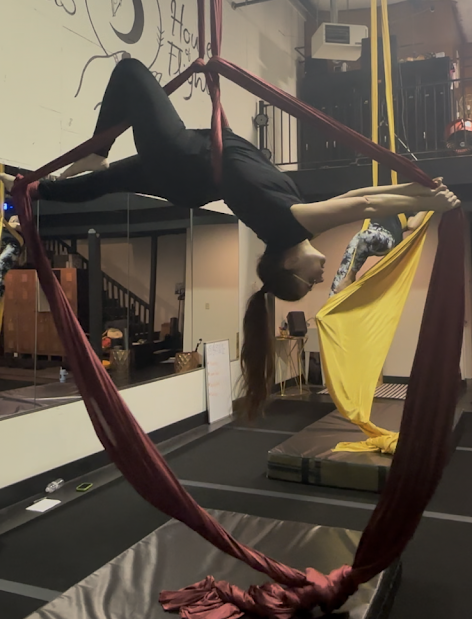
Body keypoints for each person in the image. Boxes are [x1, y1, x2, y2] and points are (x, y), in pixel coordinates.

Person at [0, 58, 460, 419]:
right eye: (318, 282)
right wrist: (419, 190)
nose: (320, 277)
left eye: (308, 281)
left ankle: (90, 157)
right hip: (194, 179)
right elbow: (359, 195)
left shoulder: (291, 225)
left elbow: (365, 204)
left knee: (130, 73)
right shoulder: (293, 224)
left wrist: (428, 200)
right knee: (107, 181)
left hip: (187, 159)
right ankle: (36, 191)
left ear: (288, 264)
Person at [329, 210, 427, 296]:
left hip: (386, 237)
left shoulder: (407, 211)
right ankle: (332, 301)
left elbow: (413, 225)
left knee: (367, 236)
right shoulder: (382, 201)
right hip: (366, 232)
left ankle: (350, 277)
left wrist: (428, 206)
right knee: (342, 273)